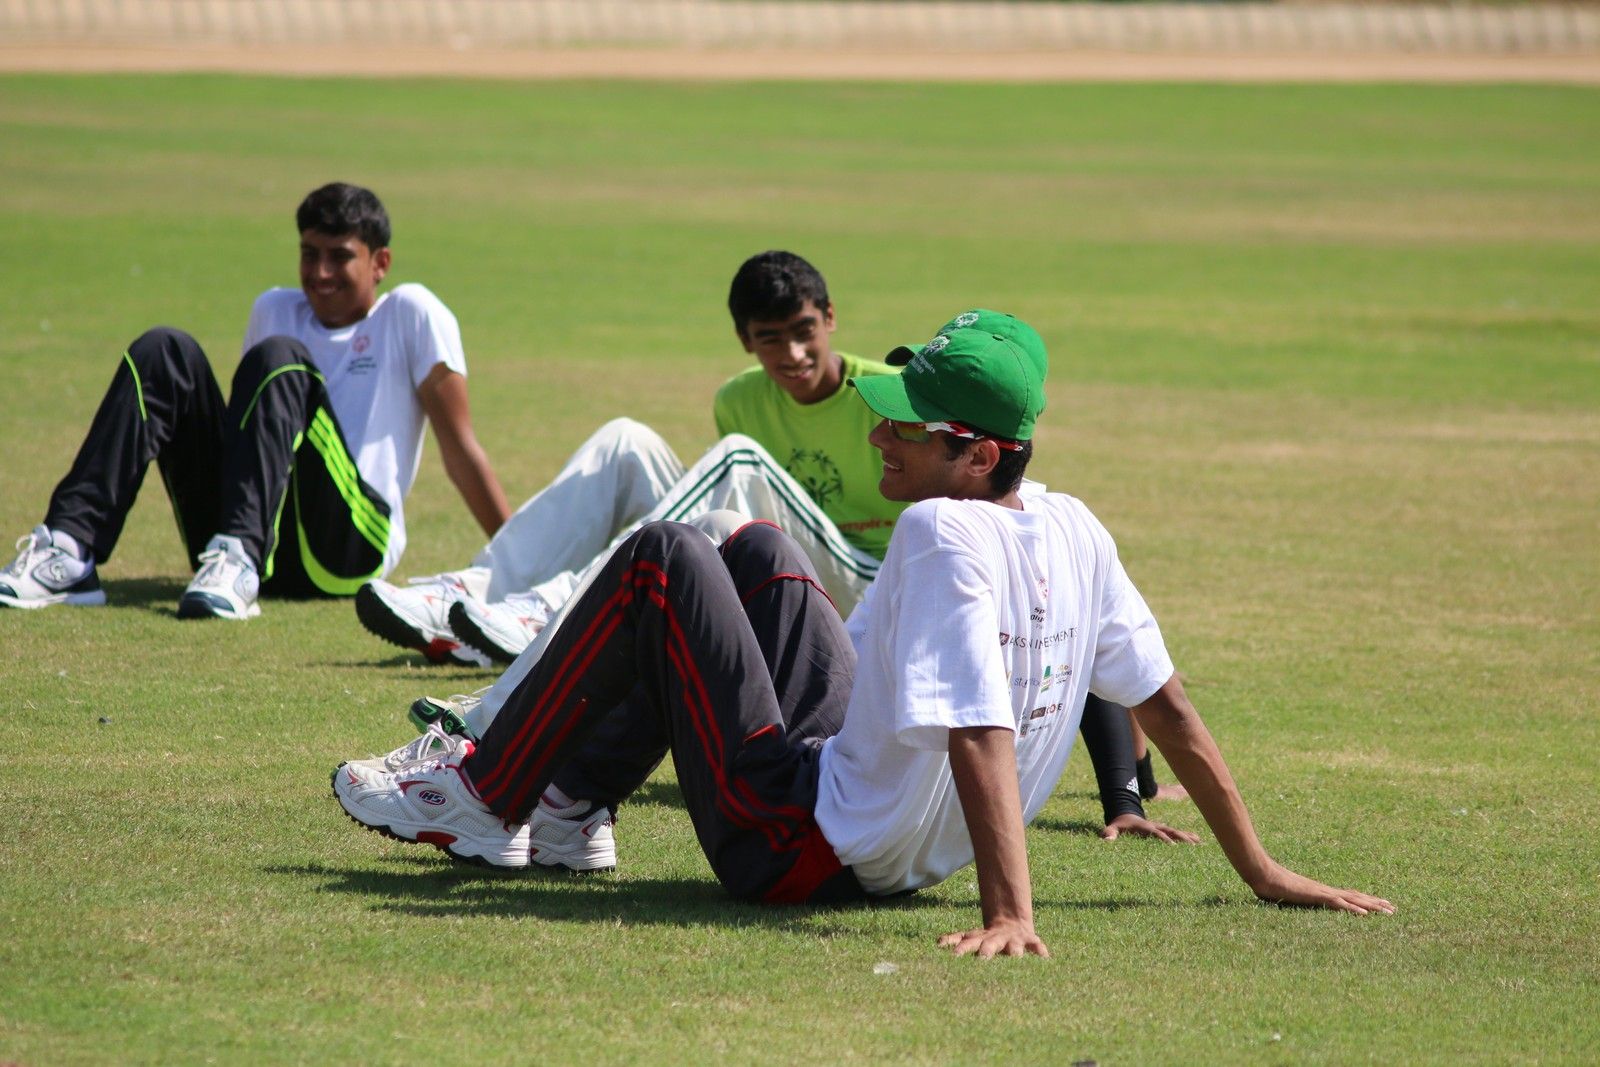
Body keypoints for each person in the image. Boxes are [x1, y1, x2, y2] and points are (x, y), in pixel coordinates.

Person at [332, 312, 1392, 954]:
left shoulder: (937, 529)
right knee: (756, 549)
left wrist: (1011, 912)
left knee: (662, 554)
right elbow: (1169, 705)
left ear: (977, 454)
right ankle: (570, 812)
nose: (879, 429)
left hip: (795, 848)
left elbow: (978, 724)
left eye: (905, 424)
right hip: (867, 823)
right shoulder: (1075, 523)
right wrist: (1260, 869)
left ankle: (486, 793)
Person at [354, 250, 906, 665]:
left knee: (738, 459)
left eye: (804, 331)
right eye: (771, 338)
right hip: (781, 575)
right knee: (626, 440)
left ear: (829, 317)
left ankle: (559, 610)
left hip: (866, 588)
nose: (793, 353)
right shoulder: (737, 399)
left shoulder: (887, 393)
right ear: (745, 340)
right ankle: (467, 596)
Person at [0, 182, 509, 621]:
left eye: (340, 256)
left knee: (280, 358)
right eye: (309, 254)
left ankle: (240, 553)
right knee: (163, 351)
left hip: (351, 546)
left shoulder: (411, 313)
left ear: (381, 263)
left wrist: (521, 561)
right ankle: (69, 548)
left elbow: (460, 451)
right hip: (260, 541)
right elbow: (250, 440)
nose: (320, 272)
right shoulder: (275, 309)